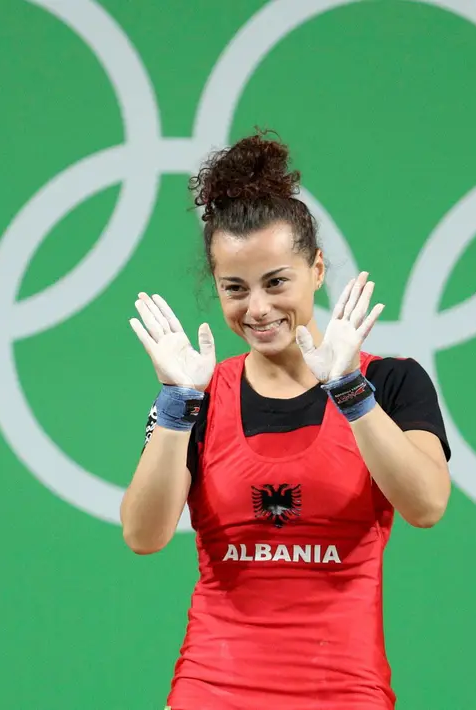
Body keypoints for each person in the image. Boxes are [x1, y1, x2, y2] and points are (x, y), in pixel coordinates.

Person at [120, 128, 453, 709]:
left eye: (277, 282)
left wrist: (350, 392)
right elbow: (143, 536)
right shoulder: (196, 396)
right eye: (235, 288)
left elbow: (426, 505)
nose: (258, 308)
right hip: (211, 690)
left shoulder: (393, 382)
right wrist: (176, 407)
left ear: (317, 269)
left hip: (344, 693)